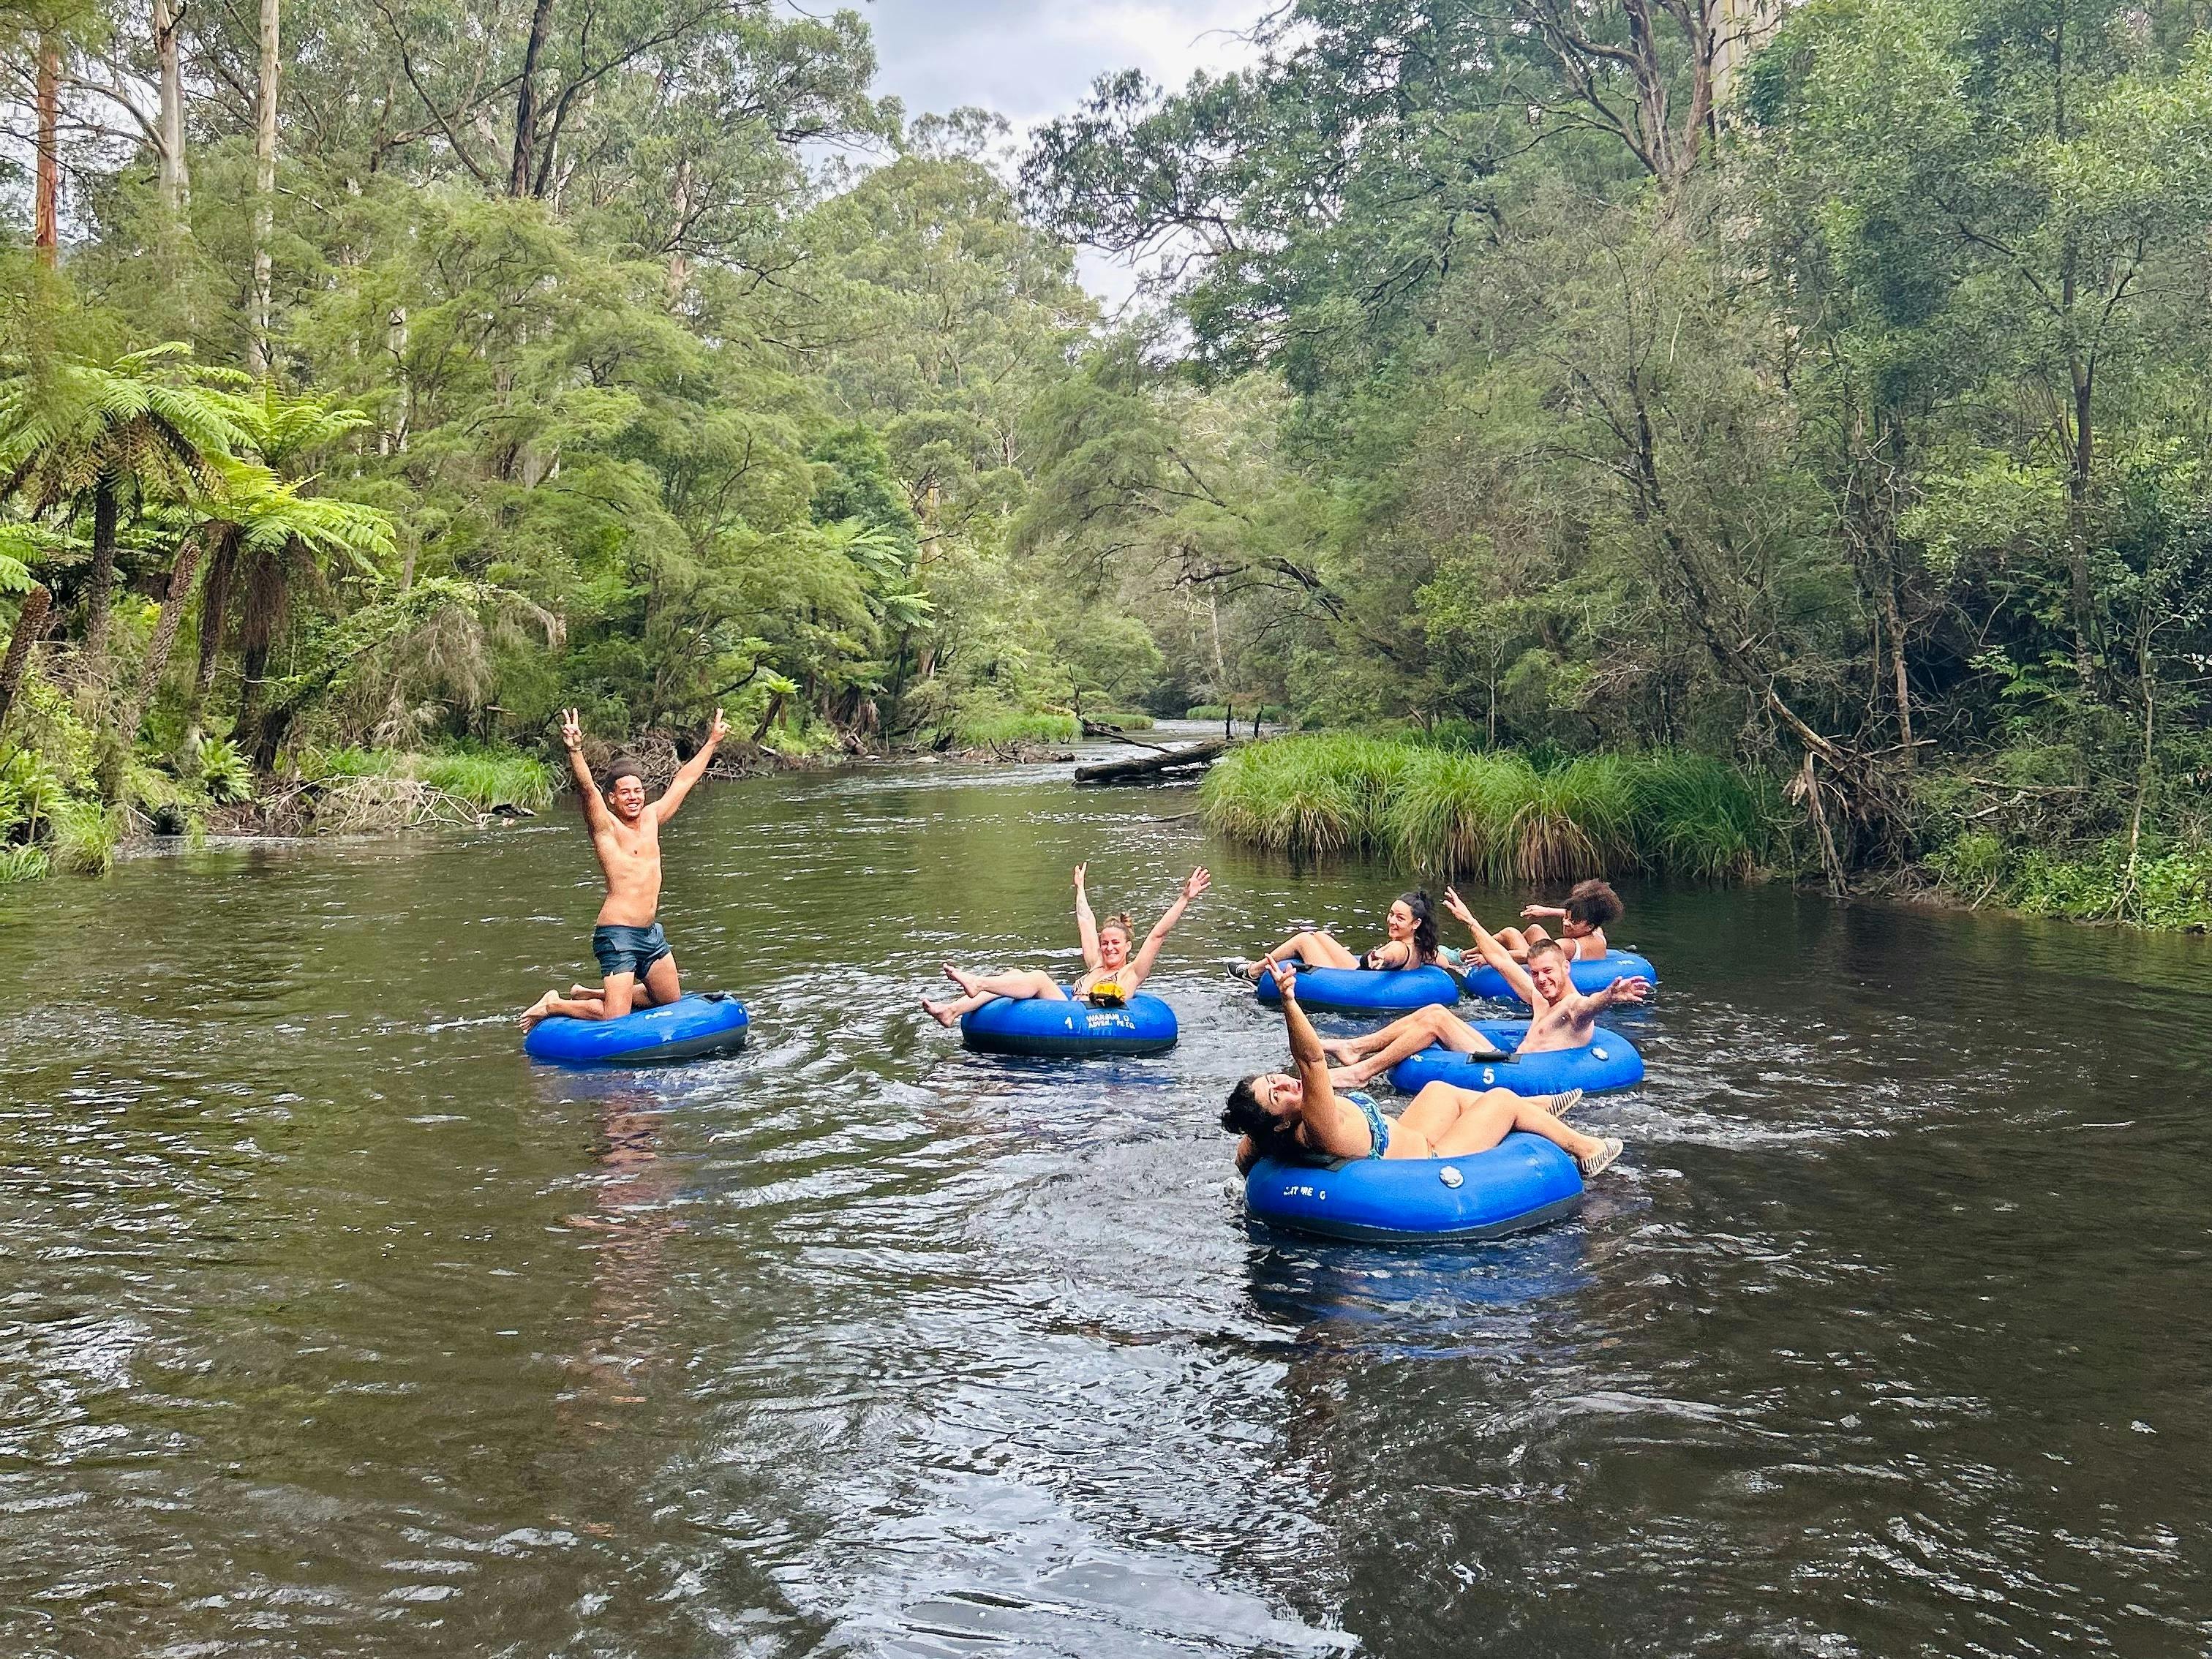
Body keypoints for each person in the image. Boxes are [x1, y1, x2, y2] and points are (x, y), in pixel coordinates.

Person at [1222, 959, 1622, 1178]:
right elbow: (1310, 1060)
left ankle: (1536, 1106)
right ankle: (1586, 1149)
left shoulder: (1263, 1136)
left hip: (1410, 1134)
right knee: (1501, 1099)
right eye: (1277, 1094)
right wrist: (1291, 1001)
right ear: (1277, 1123)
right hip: (1430, 1158)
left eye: (1275, 1079)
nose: (1286, 1085)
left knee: (1438, 1089)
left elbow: (1244, 1158)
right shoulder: (1316, 1121)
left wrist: (1250, 1184)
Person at [1298, 887, 1650, 1085]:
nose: (1541, 979)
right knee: (1436, 1011)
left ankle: (1361, 1071)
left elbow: (1588, 1007)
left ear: (1566, 967)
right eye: (1538, 973)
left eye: (1548, 972)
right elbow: (1499, 958)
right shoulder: (1541, 997)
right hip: (1507, 1059)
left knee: (1437, 1020)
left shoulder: (1572, 1009)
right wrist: (1469, 920)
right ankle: (1355, 1047)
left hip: (1518, 1070)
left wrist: (1609, 996)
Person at [520, 707, 727, 1031]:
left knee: (670, 1001)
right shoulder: (606, 829)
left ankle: (591, 992)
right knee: (615, 1018)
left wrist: (713, 741)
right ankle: (554, 1004)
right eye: (625, 793)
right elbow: (588, 790)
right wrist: (575, 750)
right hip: (618, 934)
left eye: (638, 791)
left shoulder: (652, 819)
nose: (633, 797)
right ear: (613, 799)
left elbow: (684, 779)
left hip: (650, 934)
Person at [922, 864, 1211, 1027]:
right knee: (1013, 973)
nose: (1109, 948)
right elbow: (1086, 920)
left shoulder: (1132, 973)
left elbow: (1157, 935)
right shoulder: (1095, 964)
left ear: (1127, 946)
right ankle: (952, 1011)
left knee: (1036, 978)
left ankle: (977, 981)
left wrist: (1184, 899)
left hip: (1088, 1018)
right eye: (1105, 943)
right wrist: (1081, 888)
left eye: (1115, 944)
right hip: (1066, 1009)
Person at [1238, 889, 1442, 980]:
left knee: (1303, 939)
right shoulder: (1421, 947)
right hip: (1356, 972)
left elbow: (1392, 957)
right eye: (1391, 914)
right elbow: (1442, 960)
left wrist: (1381, 958)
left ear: (1416, 923)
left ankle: (1253, 972)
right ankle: (1253, 971)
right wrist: (1458, 961)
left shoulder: (1399, 948)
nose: (1391, 921)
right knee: (1319, 936)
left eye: (1400, 918)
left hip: (1351, 982)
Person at [1494, 878, 1623, 963]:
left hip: (1540, 960)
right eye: (1566, 917)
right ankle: (1475, 952)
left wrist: (1491, 957)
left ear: (1589, 926)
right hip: (1574, 961)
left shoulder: (1568, 946)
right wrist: (1546, 911)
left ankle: (1476, 953)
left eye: (1573, 921)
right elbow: (1574, 915)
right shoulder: (1597, 933)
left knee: (1510, 933)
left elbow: (1529, 955)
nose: (1566, 922)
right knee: (1535, 929)